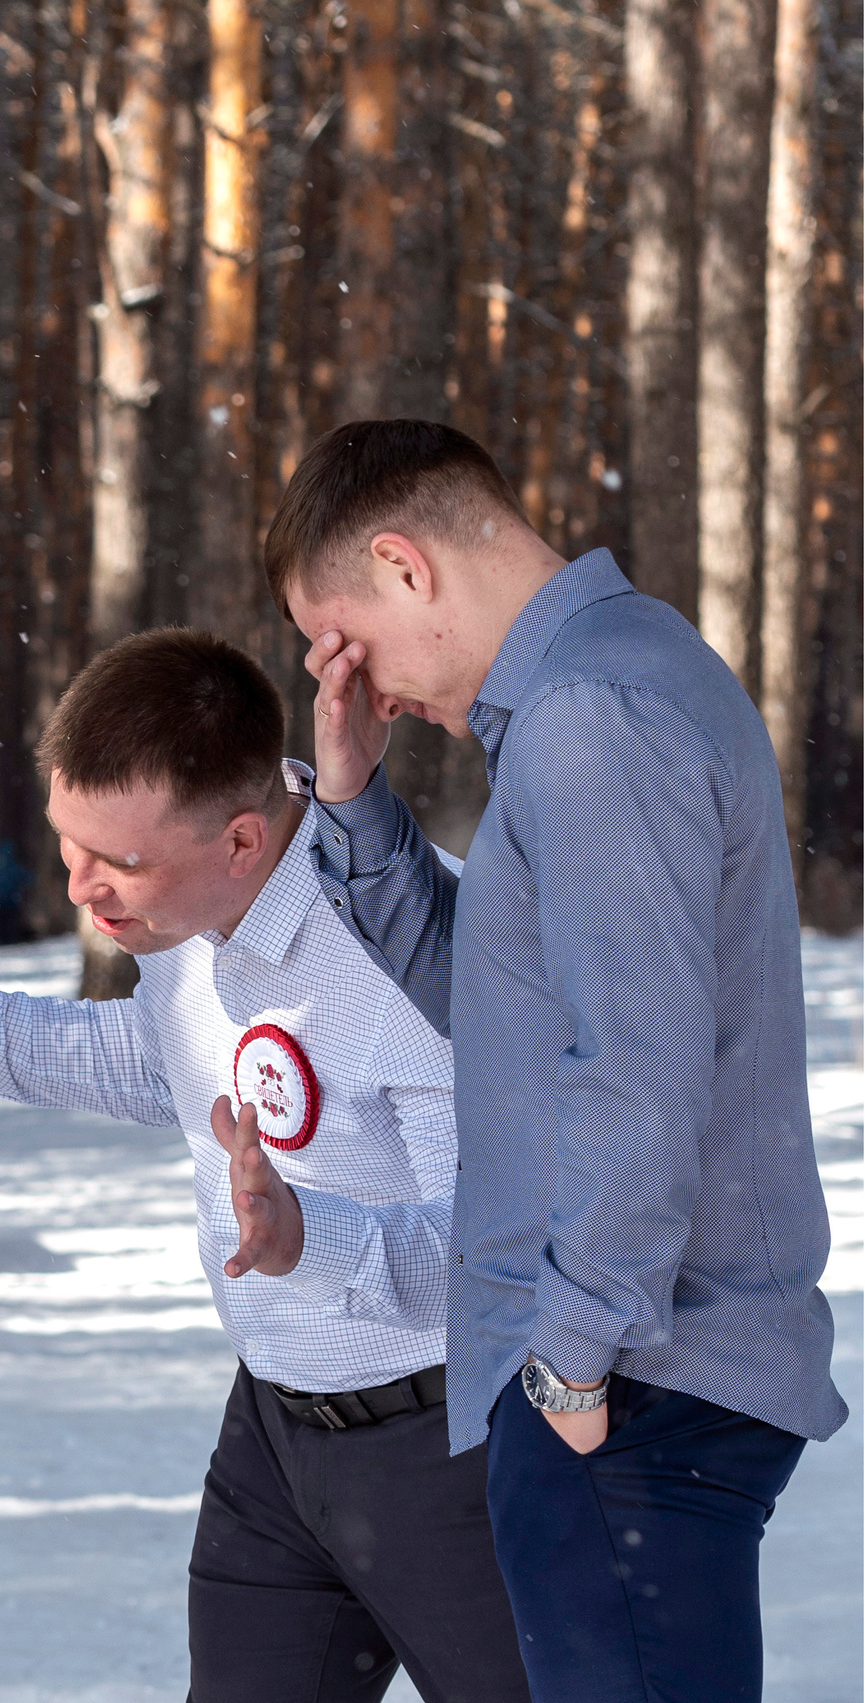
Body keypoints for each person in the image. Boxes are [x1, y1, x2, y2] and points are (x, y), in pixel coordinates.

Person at [0, 628, 529, 1703]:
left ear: (239, 840)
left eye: (119, 861)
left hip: (453, 1458)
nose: (81, 889)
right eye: (68, 844)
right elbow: (153, 1063)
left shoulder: (410, 949)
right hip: (273, 1450)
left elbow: (495, 1256)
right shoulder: (182, 921)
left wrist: (305, 1238)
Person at [273, 418, 846, 1703]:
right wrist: (358, 802)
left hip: (626, 1380)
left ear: (404, 563)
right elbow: (509, 1026)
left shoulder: (592, 718)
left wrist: (571, 1357)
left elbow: (635, 1072)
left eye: (346, 638)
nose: (352, 681)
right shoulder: (614, 681)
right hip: (628, 1373)